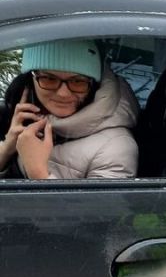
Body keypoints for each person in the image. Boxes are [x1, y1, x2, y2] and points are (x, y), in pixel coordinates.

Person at [0, 38, 139, 179]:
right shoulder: (26, 119)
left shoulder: (115, 147)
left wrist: (39, 175)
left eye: (77, 82)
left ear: (93, 85)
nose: (63, 93)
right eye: (49, 79)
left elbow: (103, 202)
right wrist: (6, 149)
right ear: (31, 81)